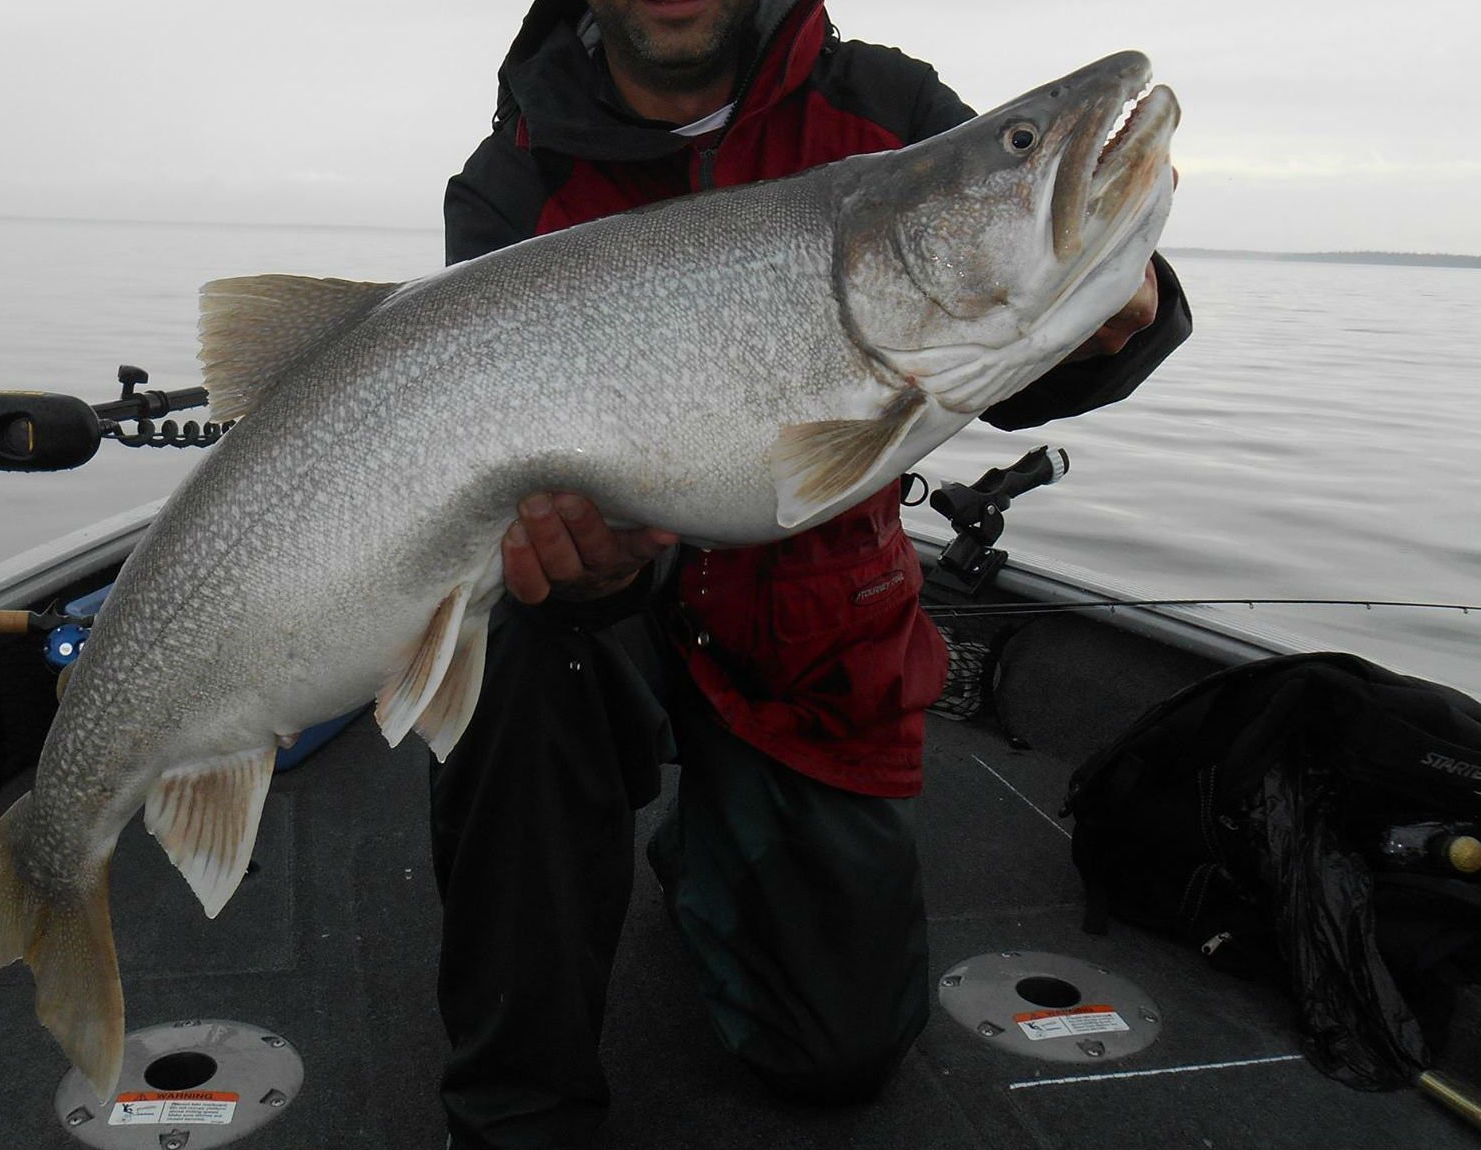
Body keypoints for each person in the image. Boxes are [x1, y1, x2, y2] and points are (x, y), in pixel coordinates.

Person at [430, 2, 1192, 1146]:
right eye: (1022, 145)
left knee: (834, 1052)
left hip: (808, 619)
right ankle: (516, 1104)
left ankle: (717, 843)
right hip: (603, 620)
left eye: (1021, 148)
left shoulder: (880, 110)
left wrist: (1120, 317)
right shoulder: (511, 176)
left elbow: (970, 344)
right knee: (512, 649)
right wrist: (586, 568)